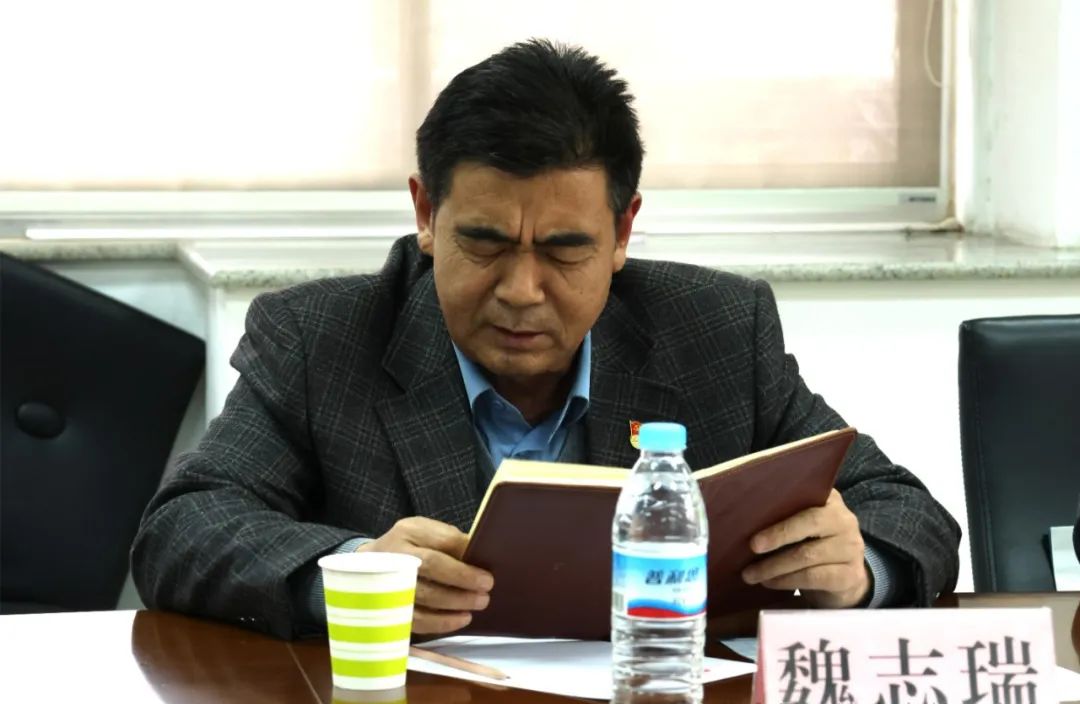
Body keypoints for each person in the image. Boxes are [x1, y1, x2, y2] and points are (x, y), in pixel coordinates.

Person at [132, 40, 961, 640]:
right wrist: (354, 571)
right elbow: (182, 529)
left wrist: (861, 569)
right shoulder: (322, 338)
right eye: (485, 243)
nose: (522, 290)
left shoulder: (714, 330)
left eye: (565, 250)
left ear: (623, 232)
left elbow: (906, 510)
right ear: (426, 214)